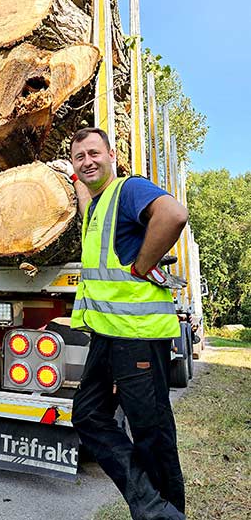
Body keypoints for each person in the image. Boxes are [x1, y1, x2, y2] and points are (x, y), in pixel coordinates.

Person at [68, 128, 188, 520]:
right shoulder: (99, 205)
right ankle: (153, 507)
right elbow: (87, 204)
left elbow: (174, 214)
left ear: (112, 155)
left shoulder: (129, 188)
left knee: (152, 434)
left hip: (136, 336)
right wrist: (76, 182)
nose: (87, 161)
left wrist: (140, 266)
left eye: (93, 153)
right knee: (87, 415)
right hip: (108, 335)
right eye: (79, 157)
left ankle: (167, 513)